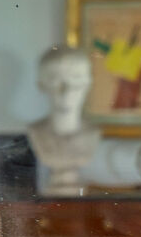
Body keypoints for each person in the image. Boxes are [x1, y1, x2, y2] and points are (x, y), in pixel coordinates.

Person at [26, 46, 103, 193]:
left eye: (76, 79)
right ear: (41, 85)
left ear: (88, 83)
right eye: (56, 81)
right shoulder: (35, 133)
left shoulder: (93, 133)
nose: (67, 90)